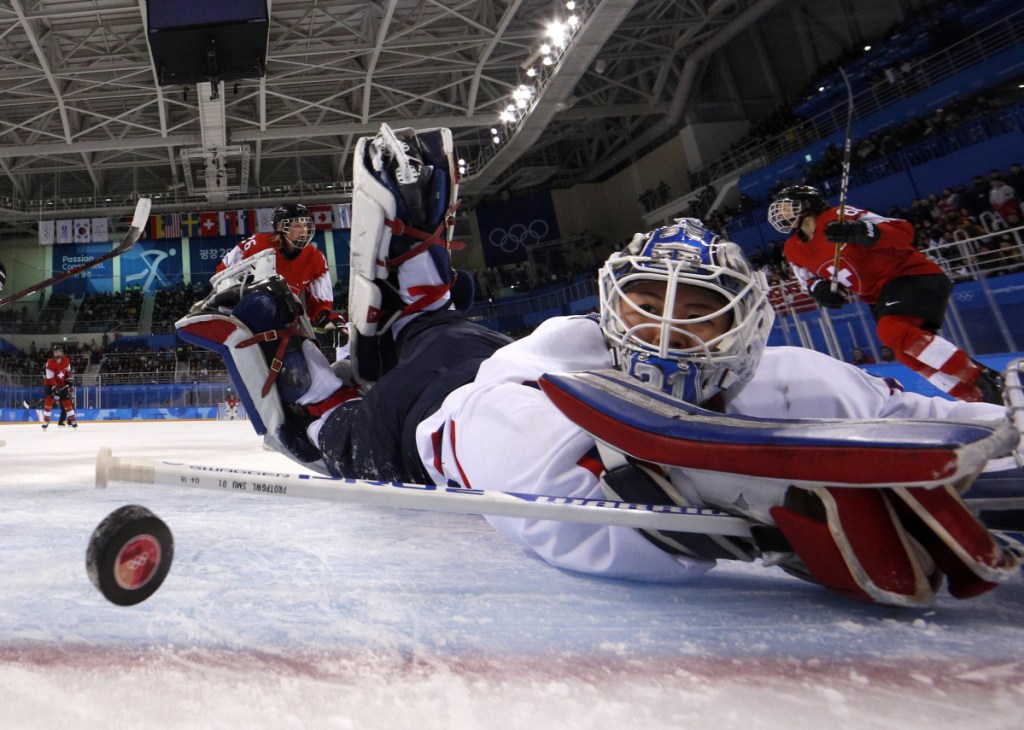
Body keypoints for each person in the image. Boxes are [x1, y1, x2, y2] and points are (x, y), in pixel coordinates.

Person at [177, 126, 1020, 609]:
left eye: (693, 310)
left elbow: (942, 427)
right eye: (652, 303)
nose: (663, 328)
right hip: (442, 405)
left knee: (438, 329)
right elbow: (557, 519)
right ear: (615, 306)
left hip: (475, 349)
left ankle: (411, 284)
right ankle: (277, 338)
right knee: (329, 437)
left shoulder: (800, 380)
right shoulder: (546, 387)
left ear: (746, 327)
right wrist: (747, 517)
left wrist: (1004, 425)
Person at [767, 185, 1004, 404]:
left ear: (807, 203)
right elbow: (807, 278)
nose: (781, 210)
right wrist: (819, 289)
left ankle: (983, 377)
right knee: (906, 353)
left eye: (787, 203)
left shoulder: (839, 215)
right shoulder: (792, 248)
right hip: (879, 296)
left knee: (892, 330)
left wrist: (866, 231)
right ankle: (978, 399)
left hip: (911, 275)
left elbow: (903, 230)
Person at [215, 203, 341, 331]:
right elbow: (221, 272)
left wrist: (328, 320)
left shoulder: (316, 258)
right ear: (281, 226)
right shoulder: (256, 244)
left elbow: (320, 305)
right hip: (247, 320)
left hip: (283, 323)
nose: (303, 230)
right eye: (297, 225)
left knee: (309, 349)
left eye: (305, 225)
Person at [42, 345, 77, 429]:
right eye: (55, 352)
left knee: (67, 403)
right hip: (50, 385)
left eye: (59, 351)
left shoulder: (66, 360)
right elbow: (50, 378)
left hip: (63, 385)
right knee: (48, 403)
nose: (57, 353)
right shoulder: (49, 363)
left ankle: (73, 421)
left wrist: (69, 380)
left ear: (62, 352)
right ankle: (46, 421)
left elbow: (68, 372)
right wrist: (55, 388)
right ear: (53, 353)